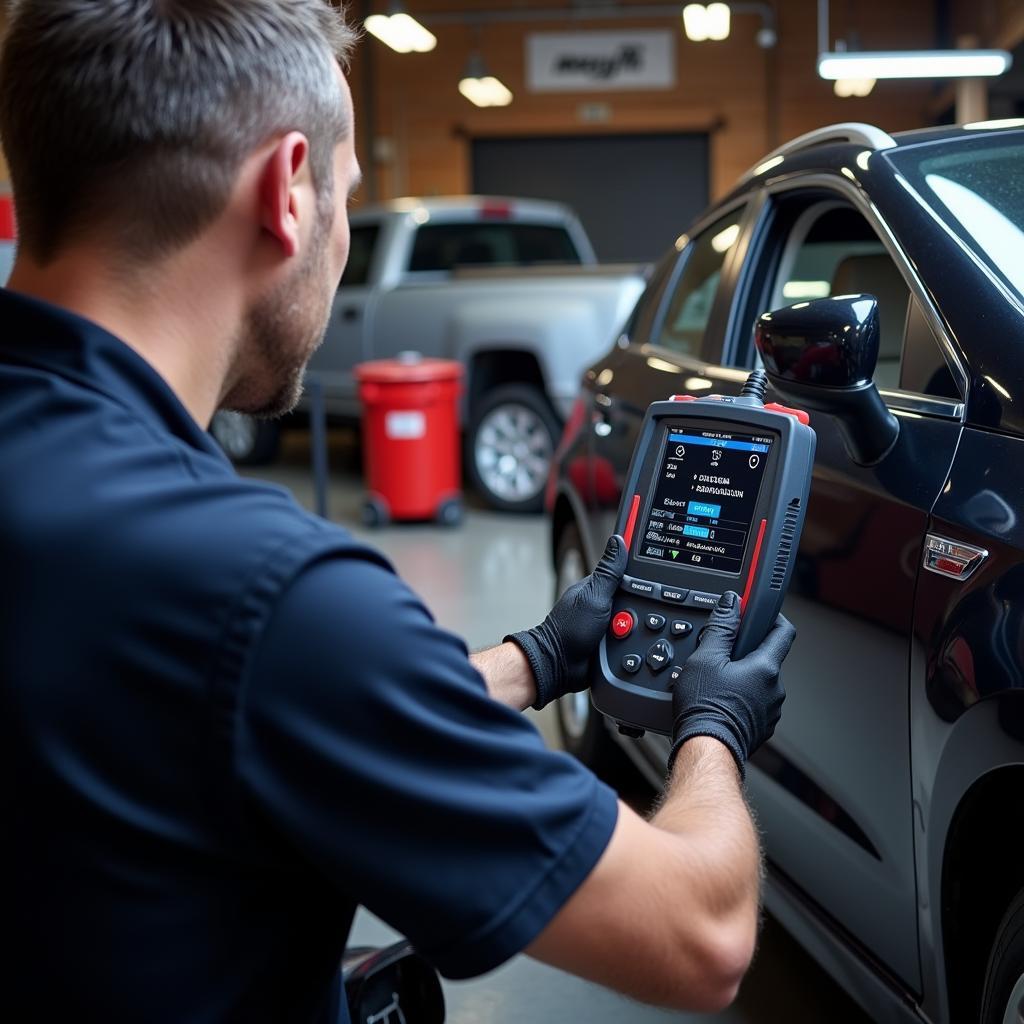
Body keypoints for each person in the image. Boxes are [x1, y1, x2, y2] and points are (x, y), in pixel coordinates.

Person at [0, 2, 795, 1021]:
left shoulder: (188, 582)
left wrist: (536, 659)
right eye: (347, 198)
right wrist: (714, 727)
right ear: (289, 191)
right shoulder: (267, 591)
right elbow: (700, 933)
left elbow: (199, 706)